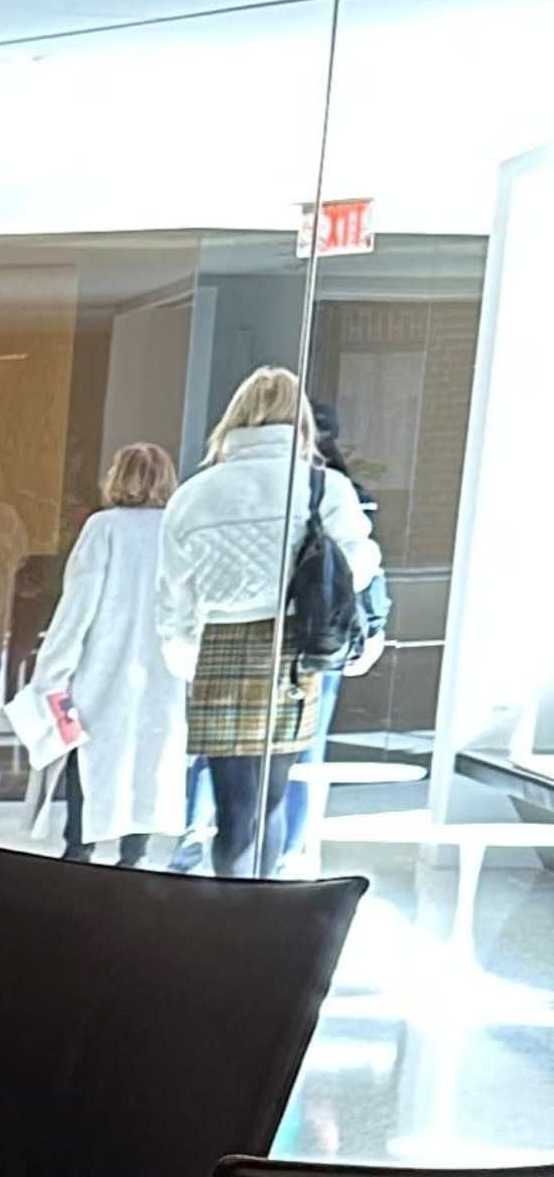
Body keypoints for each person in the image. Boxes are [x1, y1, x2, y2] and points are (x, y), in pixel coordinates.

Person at [161, 367, 381, 883]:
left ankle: (231, 914)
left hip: (218, 647)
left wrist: (180, 653)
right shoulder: (324, 488)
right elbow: (359, 563)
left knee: (233, 804)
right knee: (272, 799)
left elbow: (174, 591)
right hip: (292, 648)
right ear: (298, 420)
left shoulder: (196, 492)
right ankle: (262, 913)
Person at [24, 442, 186, 863]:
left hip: (102, 670)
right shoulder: (177, 531)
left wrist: (52, 672)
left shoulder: (103, 528)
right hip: (162, 675)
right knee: (149, 767)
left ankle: (79, 856)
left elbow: (78, 605)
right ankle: (133, 861)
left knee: (91, 767)